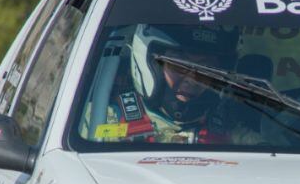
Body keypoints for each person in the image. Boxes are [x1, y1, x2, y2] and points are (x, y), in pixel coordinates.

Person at [107, 23, 258, 144]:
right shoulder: (102, 120)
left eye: (206, 69)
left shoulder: (232, 135)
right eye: (180, 65)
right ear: (152, 64)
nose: (192, 78)